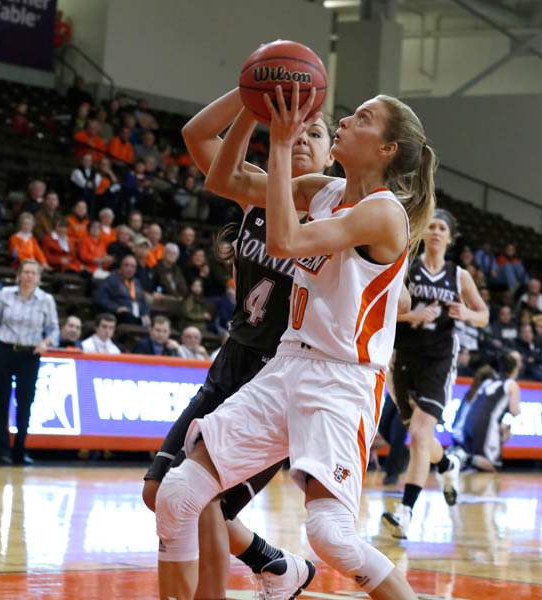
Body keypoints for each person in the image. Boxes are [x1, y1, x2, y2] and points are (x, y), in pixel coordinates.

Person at [155, 83, 432, 599]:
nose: (347, 120)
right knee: (177, 491)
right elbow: (223, 176)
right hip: (286, 365)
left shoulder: (385, 213)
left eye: (363, 118)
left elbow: (285, 241)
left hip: (342, 382)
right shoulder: (322, 191)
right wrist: (252, 108)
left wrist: (280, 143)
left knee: (330, 537)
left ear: (386, 149)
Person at [142, 87, 335, 599]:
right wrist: (251, 101)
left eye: (316, 133)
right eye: (297, 130)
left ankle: (224, 589)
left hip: (279, 377)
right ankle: (273, 565)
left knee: (204, 499)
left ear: (331, 154)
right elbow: (196, 137)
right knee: (158, 491)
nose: (302, 140)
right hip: (233, 359)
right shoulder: (256, 192)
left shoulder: (336, 220)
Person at [381, 209, 489, 540]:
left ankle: (406, 512)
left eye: (443, 227)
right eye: (432, 226)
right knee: (421, 438)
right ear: (424, 233)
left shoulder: (459, 276)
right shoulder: (408, 269)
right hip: (404, 357)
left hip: (439, 360)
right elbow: (382, 310)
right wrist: (410, 315)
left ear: (449, 237)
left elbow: (484, 316)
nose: (437, 231)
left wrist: (467, 312)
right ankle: (446, 466)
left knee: (418, 433)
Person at [0, 260, 59, 465]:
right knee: (1, 401)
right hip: (5, 350)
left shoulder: (46, 300)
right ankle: (1, 450)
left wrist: (45, 342)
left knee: (25, 402)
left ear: (39, 277)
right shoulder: (4, 294)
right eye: (26, 272)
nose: (29, 276)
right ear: (19, 275)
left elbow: (54, 328)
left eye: (34, 273)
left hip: (30, 355)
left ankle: (20, 449)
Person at [455, 352, 522, 472]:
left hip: (469, 421)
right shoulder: (511, 384)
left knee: (479, 465)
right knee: (494, 465)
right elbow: (514, 411)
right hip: (485, 423)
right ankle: (461, 457)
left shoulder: (489, 381)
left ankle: (463, 457)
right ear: (515, 368)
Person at [95, 254, 150, 326]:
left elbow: (143, 301)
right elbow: (100, 298)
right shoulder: (112, 280)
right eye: (126, 265)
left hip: (138, 317)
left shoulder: (137, 282)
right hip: (121, 316)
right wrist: (116, 308)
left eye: (133, 266)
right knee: (127, 316)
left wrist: (145, 313)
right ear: (121, 266)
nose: (130, 269)